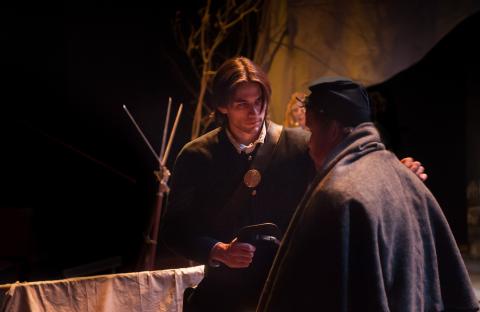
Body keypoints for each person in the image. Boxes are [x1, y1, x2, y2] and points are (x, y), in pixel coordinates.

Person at [162, 57, 428, 311]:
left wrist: (396, 173)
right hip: (225, 293)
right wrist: (218, 250)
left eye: (259, 101)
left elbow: (351, 177)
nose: (254, 112)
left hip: (291, 290)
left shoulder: (302, 144)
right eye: (242, 103)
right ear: (223, 106)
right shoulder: (196, 155)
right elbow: (174, 230)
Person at [257, 77, 478, 311]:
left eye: (311, 131)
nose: (308, 144)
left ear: (332, 130)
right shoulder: (403, 177)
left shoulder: (338, 195)